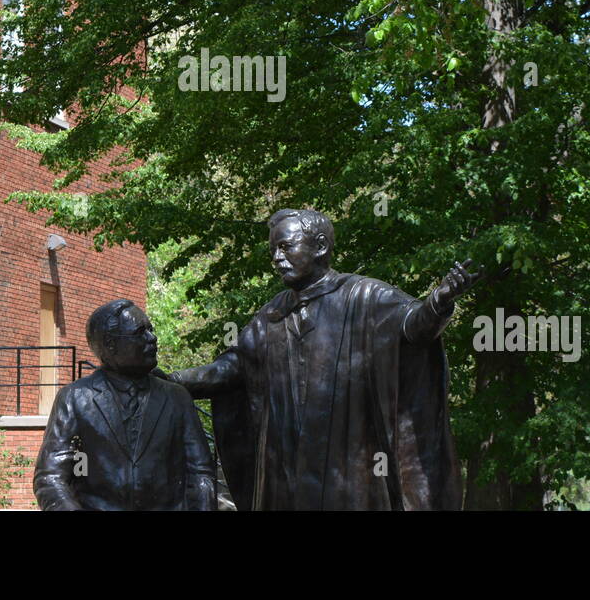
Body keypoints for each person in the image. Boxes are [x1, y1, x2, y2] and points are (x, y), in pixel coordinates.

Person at [167, 208, 479, 510]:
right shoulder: (272, 315)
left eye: (286, 247)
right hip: (285, 474)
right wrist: (174, 380)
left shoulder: (363, 297)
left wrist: (438, 303)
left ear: (319, 247)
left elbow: (413, 328)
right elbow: (232, 367)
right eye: (274, 249)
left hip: (349, 470)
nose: (277, 258)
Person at [34, 299, 216, 510]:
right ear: (111, 344)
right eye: (140, 332)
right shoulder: (75, 398)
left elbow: (200, 473)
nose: (152, 338)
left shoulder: (176, 398)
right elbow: (50, 477)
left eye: (150, 330)